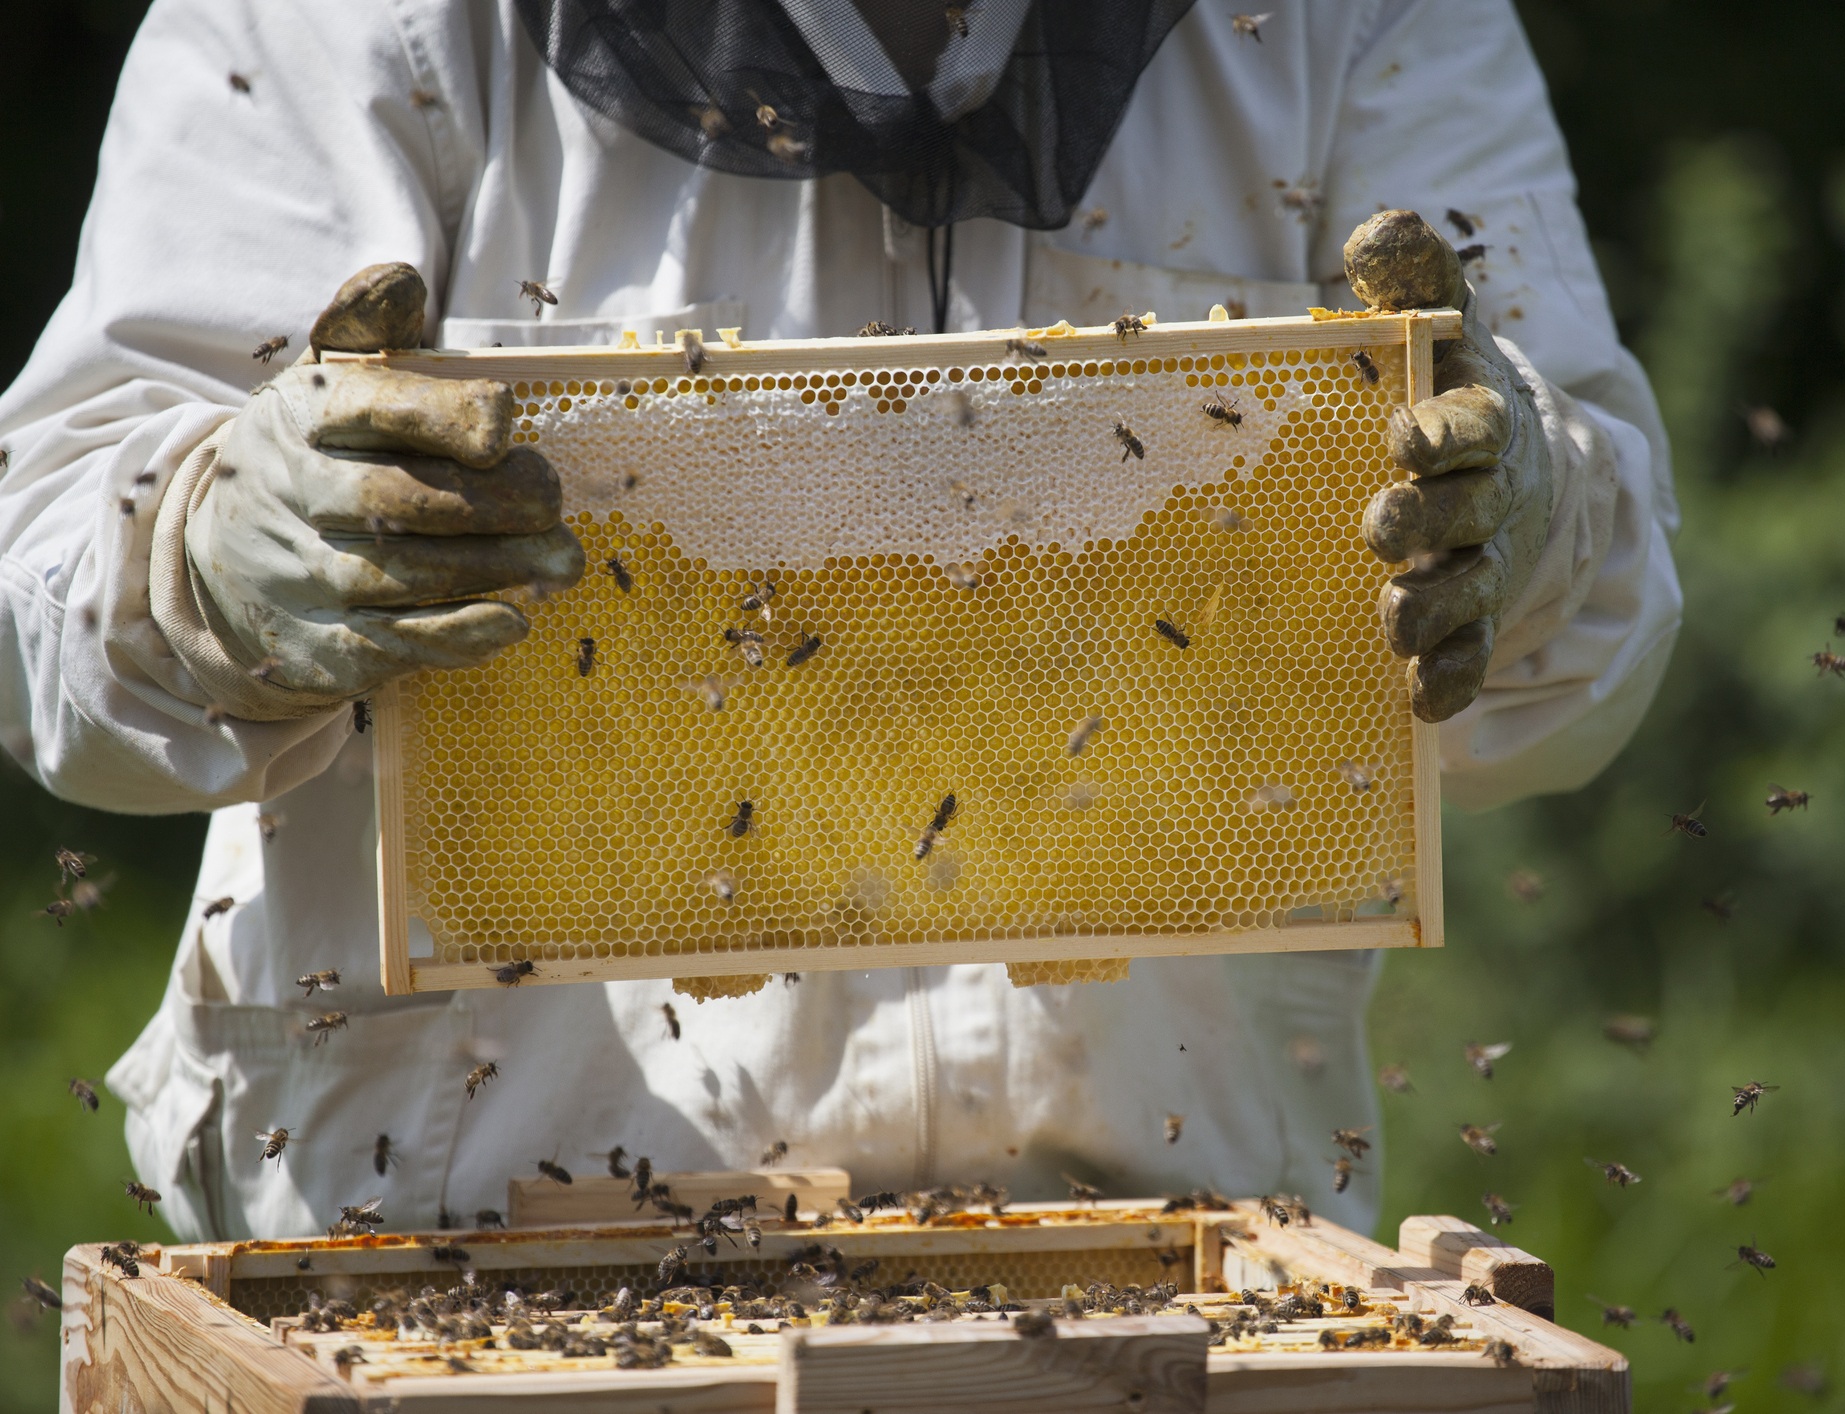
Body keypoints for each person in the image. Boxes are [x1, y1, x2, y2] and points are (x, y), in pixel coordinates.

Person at [0, 0, 1678, 1241]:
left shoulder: (1352, 19)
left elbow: (1581, 646)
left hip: (1173, 1251)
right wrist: (208, 550)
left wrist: (1523, 503)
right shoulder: (345, 24)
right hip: (461, 1251)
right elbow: (39, 593)